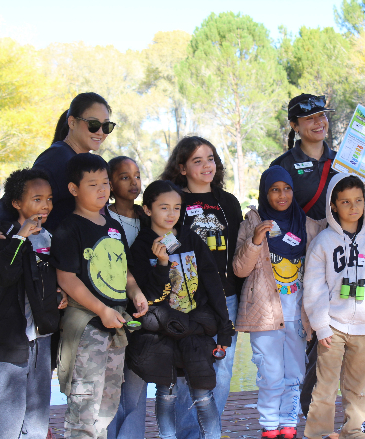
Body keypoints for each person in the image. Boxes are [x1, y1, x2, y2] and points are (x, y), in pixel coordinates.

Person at [271, 94, 365, 426]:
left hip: (349, 260)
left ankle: (362, 419)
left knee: (361, 334)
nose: (318, 122)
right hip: (305, 263)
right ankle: (312, 417)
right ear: (294, 125)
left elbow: (364, 204)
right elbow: (275, 214)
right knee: (315, 339)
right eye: (308, 118)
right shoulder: (282, 165)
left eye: (322, 115)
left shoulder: (346, 160)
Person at [126, 180, 235, 439]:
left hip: (196, 326)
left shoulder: (190, 239)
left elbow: (211, 283)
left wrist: (224, 329)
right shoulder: (142, 247)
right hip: (163, 330)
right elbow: (148, 296)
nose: (171, 213)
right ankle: (168, 436)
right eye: (164, 207)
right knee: (166, 391)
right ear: (148, 209)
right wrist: (162, 263)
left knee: (203, 391)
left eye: (176, 207)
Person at [51, 153, 148, 439]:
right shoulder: (69, 228)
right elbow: (65, 277)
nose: (102, 190)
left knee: (107, 403)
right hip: (86, 328)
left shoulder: (113, 226)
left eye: (105, 182)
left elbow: (124, 270)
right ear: (73, 189)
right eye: (92, 184)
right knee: (84, 406)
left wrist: (136, 291)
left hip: (115, 326)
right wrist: (101, 310)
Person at [232, 166, 326, 439]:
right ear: (265, 192)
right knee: (270, 374)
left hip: (298, 314)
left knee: (295, 374)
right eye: (274, 189)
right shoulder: (252, 222)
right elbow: (239, 269)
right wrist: (255, 240)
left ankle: (288, 424)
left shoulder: (306, 224)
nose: (281, 195)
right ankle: (269, 426)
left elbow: (340, 222)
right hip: (264, 314)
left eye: (286, 189)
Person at [160, 136, 243, 436]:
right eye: (197, 160)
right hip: (186, 302)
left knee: (222, 368)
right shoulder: (174, 200)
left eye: (210, 158)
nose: (207, 165)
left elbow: (236, 250)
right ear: (181, 167)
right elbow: (165, 239)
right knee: (186, 370)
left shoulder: (228, 202)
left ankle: (208, 433)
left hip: (225, 298)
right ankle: (186, 434)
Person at [302, 174, 365, 439]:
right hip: (333, 326)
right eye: (345, 202)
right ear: (333, 206)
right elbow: (314, 288)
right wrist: (320, 326)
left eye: (358, 201)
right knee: (325, 387)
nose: (353, 208)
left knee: (357, 388)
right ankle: (318, 433)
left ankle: (354, 432)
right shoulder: (323, 242)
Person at [0, 168, 68, 439]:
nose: (45, 206)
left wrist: (60, 291)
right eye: (37, 199)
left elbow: (54, 274)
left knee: (37, 420)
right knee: (8, 425)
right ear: (17, 203)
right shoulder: (5, 236)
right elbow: (4, 274)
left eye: (49, 199)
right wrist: (21, 236)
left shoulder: (50, 237)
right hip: (10, 340)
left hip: (41, 339)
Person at [0, 92, 116, 252]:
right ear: (72, 122)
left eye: (106, 126)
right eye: (93, 124)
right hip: (59, 262)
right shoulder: (57, 158)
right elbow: (24, 195)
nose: (100, 132)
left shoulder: (84, 161)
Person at [105, 157, 149, 439]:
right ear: (109, 183)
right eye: (124, 177)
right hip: (110, 308)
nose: (133, 182)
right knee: (110, 384)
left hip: (143, 308)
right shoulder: (101, 219)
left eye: (137, 176)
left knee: (137, 380)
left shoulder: (148, 218)